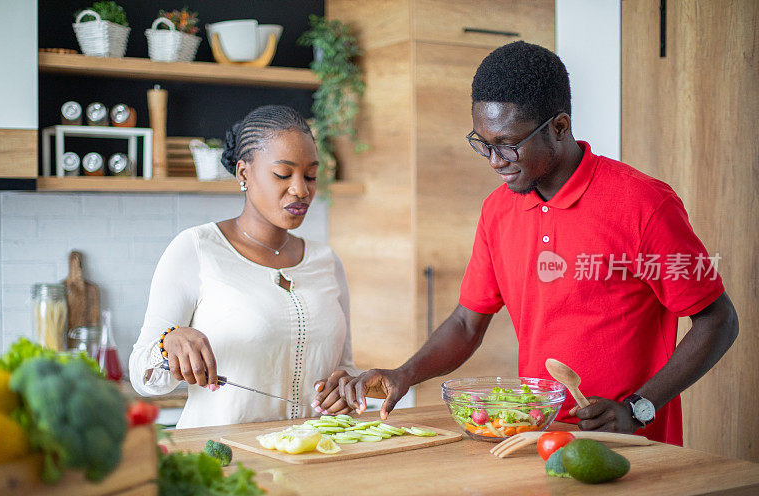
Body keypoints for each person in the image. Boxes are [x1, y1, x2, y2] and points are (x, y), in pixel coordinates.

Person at [314, 42, 739, 445]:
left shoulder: (644, 204)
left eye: (508, 145)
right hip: (536, 440)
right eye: (484, 144)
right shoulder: (497, 211)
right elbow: (466, 323)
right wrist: (404, 374)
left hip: (634, 448)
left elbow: (718, 320)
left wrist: (639, 408)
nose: (495, 161)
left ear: (559, 127)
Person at [129, 105, 358, 428]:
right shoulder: (197, 249)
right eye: (283, 174)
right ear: (243, 173)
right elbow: (142, 375)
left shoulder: (326, 261)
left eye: (310, 175)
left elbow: (345, 367)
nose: (301, 190)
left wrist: (344, 387)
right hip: (222, 464)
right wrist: (170, 343)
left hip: (311, 461)